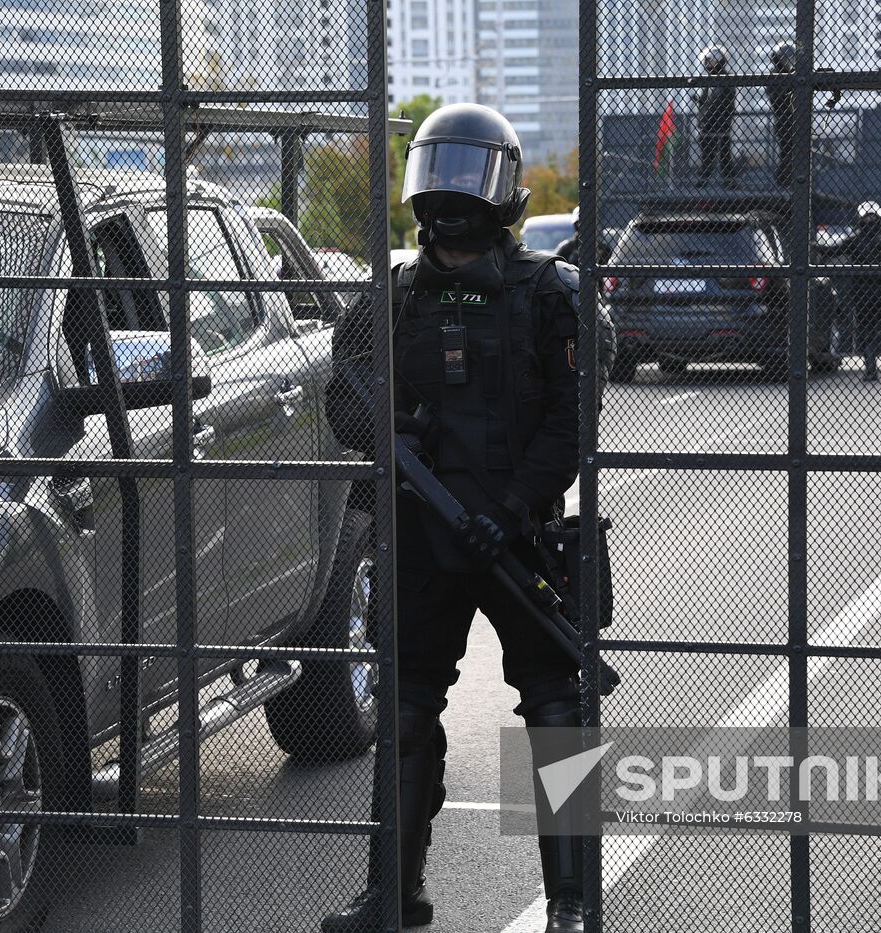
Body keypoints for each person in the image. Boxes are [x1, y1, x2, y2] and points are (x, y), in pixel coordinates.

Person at [321, 102, 615, 933]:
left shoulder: (550, 293)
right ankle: (394, 892)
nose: (452, 193)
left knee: (559, 710)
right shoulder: (392, 296)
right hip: (422, 532)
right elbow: (344, 398)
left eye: (468, 173)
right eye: (440, 171)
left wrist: (512, 508)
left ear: (504, 189)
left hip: (521, 539)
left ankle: (571, 900)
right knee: (406, 710)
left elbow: (574, 420)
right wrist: (395, 431)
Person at [820, 201, 881, 382]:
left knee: (879, 333)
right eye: (868, 217)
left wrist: (815, 245)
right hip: (874, 293)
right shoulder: (878, 239)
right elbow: (832, 251)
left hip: (872, 293)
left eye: (871, 217)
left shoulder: (867, 240)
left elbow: (832, 251)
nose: (870, 221)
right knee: (879, 332)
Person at [692, 45, 737, 187]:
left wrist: (705, 118)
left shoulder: (724, 79)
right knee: (709, 154)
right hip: (711, 124)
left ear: (718, 60)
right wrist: (700, 102)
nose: (706, 63)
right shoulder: (711, 80)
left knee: (722, 154)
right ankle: (710, 180)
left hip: (718, 123)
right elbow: (708, 100)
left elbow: (718, 102)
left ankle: (728, 181)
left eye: (709, 60)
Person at [765, 41, 796, 186]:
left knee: (790, 150)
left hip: (790, 118)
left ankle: (785, 179)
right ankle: (783, 180)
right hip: (784, 119)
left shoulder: (789, 74)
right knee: (787, 150)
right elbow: (776, 98)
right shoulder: (775, 75)